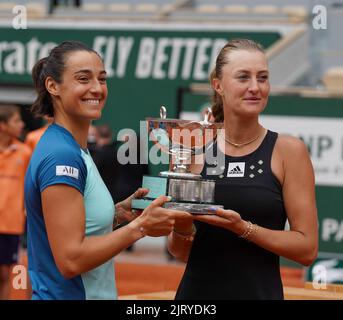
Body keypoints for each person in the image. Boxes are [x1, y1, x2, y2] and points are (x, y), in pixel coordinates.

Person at [24, 41, 191, 300]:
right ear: (53, 86)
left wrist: (120, 214)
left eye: (102, 79)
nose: (96, 88)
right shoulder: (62, 155)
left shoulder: (72, 147)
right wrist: (141, 227)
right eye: (83, 79)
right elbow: (71, 260)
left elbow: (75, 226)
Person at [167, 39, 318, 300]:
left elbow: (306, 249)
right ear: (218, 85)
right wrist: (181, 226)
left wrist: (243, 228)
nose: (255, 87)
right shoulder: (191, 149)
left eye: (262, 78)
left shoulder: (289, 151)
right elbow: (179, 251)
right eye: (243, 77)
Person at [0, 105, 31, 300]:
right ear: (2, 125)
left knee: (4, 274)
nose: (21, 124)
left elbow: (29, 186)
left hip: (11, 223)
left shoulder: (25, 152)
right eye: (16, 121)